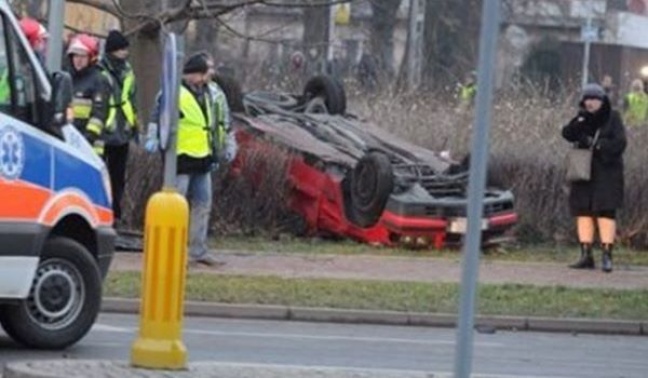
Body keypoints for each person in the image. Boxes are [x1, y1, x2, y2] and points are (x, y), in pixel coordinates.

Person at [145, 53, 236, 267]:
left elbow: (221, 120)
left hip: (203, 157)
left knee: (203, 205)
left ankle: (198, 251)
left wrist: (226, 144)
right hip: (180, 159)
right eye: (206, 71)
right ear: (196, 74)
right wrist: (152, 138)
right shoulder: (172, 93)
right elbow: (157, 117)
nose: (209, 75)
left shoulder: (212, 93)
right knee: (177, 208)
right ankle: (173, 252)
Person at [561, 83, 626, 273]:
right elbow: (566, 133)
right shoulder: (582, 117)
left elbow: (620, 142)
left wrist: (597, 145)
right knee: (583, 212)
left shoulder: (613, 118)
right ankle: (586, 254)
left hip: (607, 172)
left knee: (606, 212)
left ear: (602, 100)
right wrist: (579, 124)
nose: (590, 103)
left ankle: (607, 254)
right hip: (583, 172)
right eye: (587, 99)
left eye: (594, 99)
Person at [98, 30, 138, 224]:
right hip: (103, 130)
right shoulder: (100, 70)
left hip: (123, 131)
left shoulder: (128, 71)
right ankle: (99, 210)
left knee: (118, 177)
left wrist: (135, 124)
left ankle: (115, 215)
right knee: (100, 174)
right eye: (122, 49)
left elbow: (132, 98)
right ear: (113, 50)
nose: (125, 53)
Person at [67, 33, 110, 155]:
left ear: (91, 58)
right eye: (75, 56)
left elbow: (99, 116)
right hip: (69, 140)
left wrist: (86, 139)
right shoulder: (67, 78)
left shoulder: (99, 80)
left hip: (90, 146)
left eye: (83, 56)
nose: (78, 60)